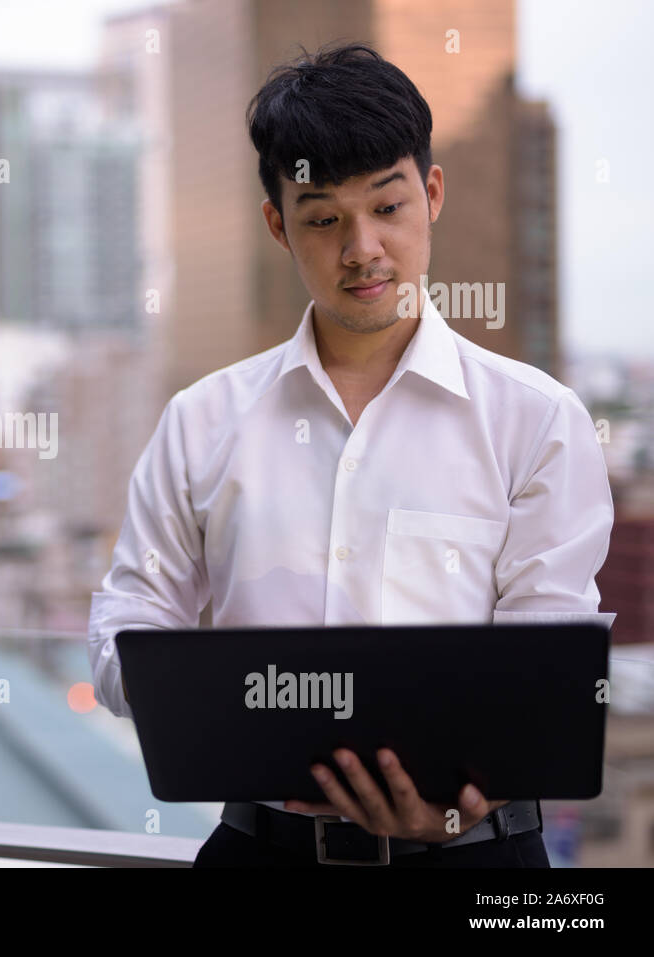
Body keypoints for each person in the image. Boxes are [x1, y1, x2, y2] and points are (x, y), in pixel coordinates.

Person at [86, 42, 615, 868]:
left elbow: (545, 664)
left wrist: (458, 790)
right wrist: (210, 705)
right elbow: (127, 625)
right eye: (324, 217)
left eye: (388, 207)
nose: (362, 248)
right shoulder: (200, 421)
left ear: (431, 194)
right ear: (279, 224)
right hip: (260, 848)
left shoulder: (538, 418)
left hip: (472, 858)